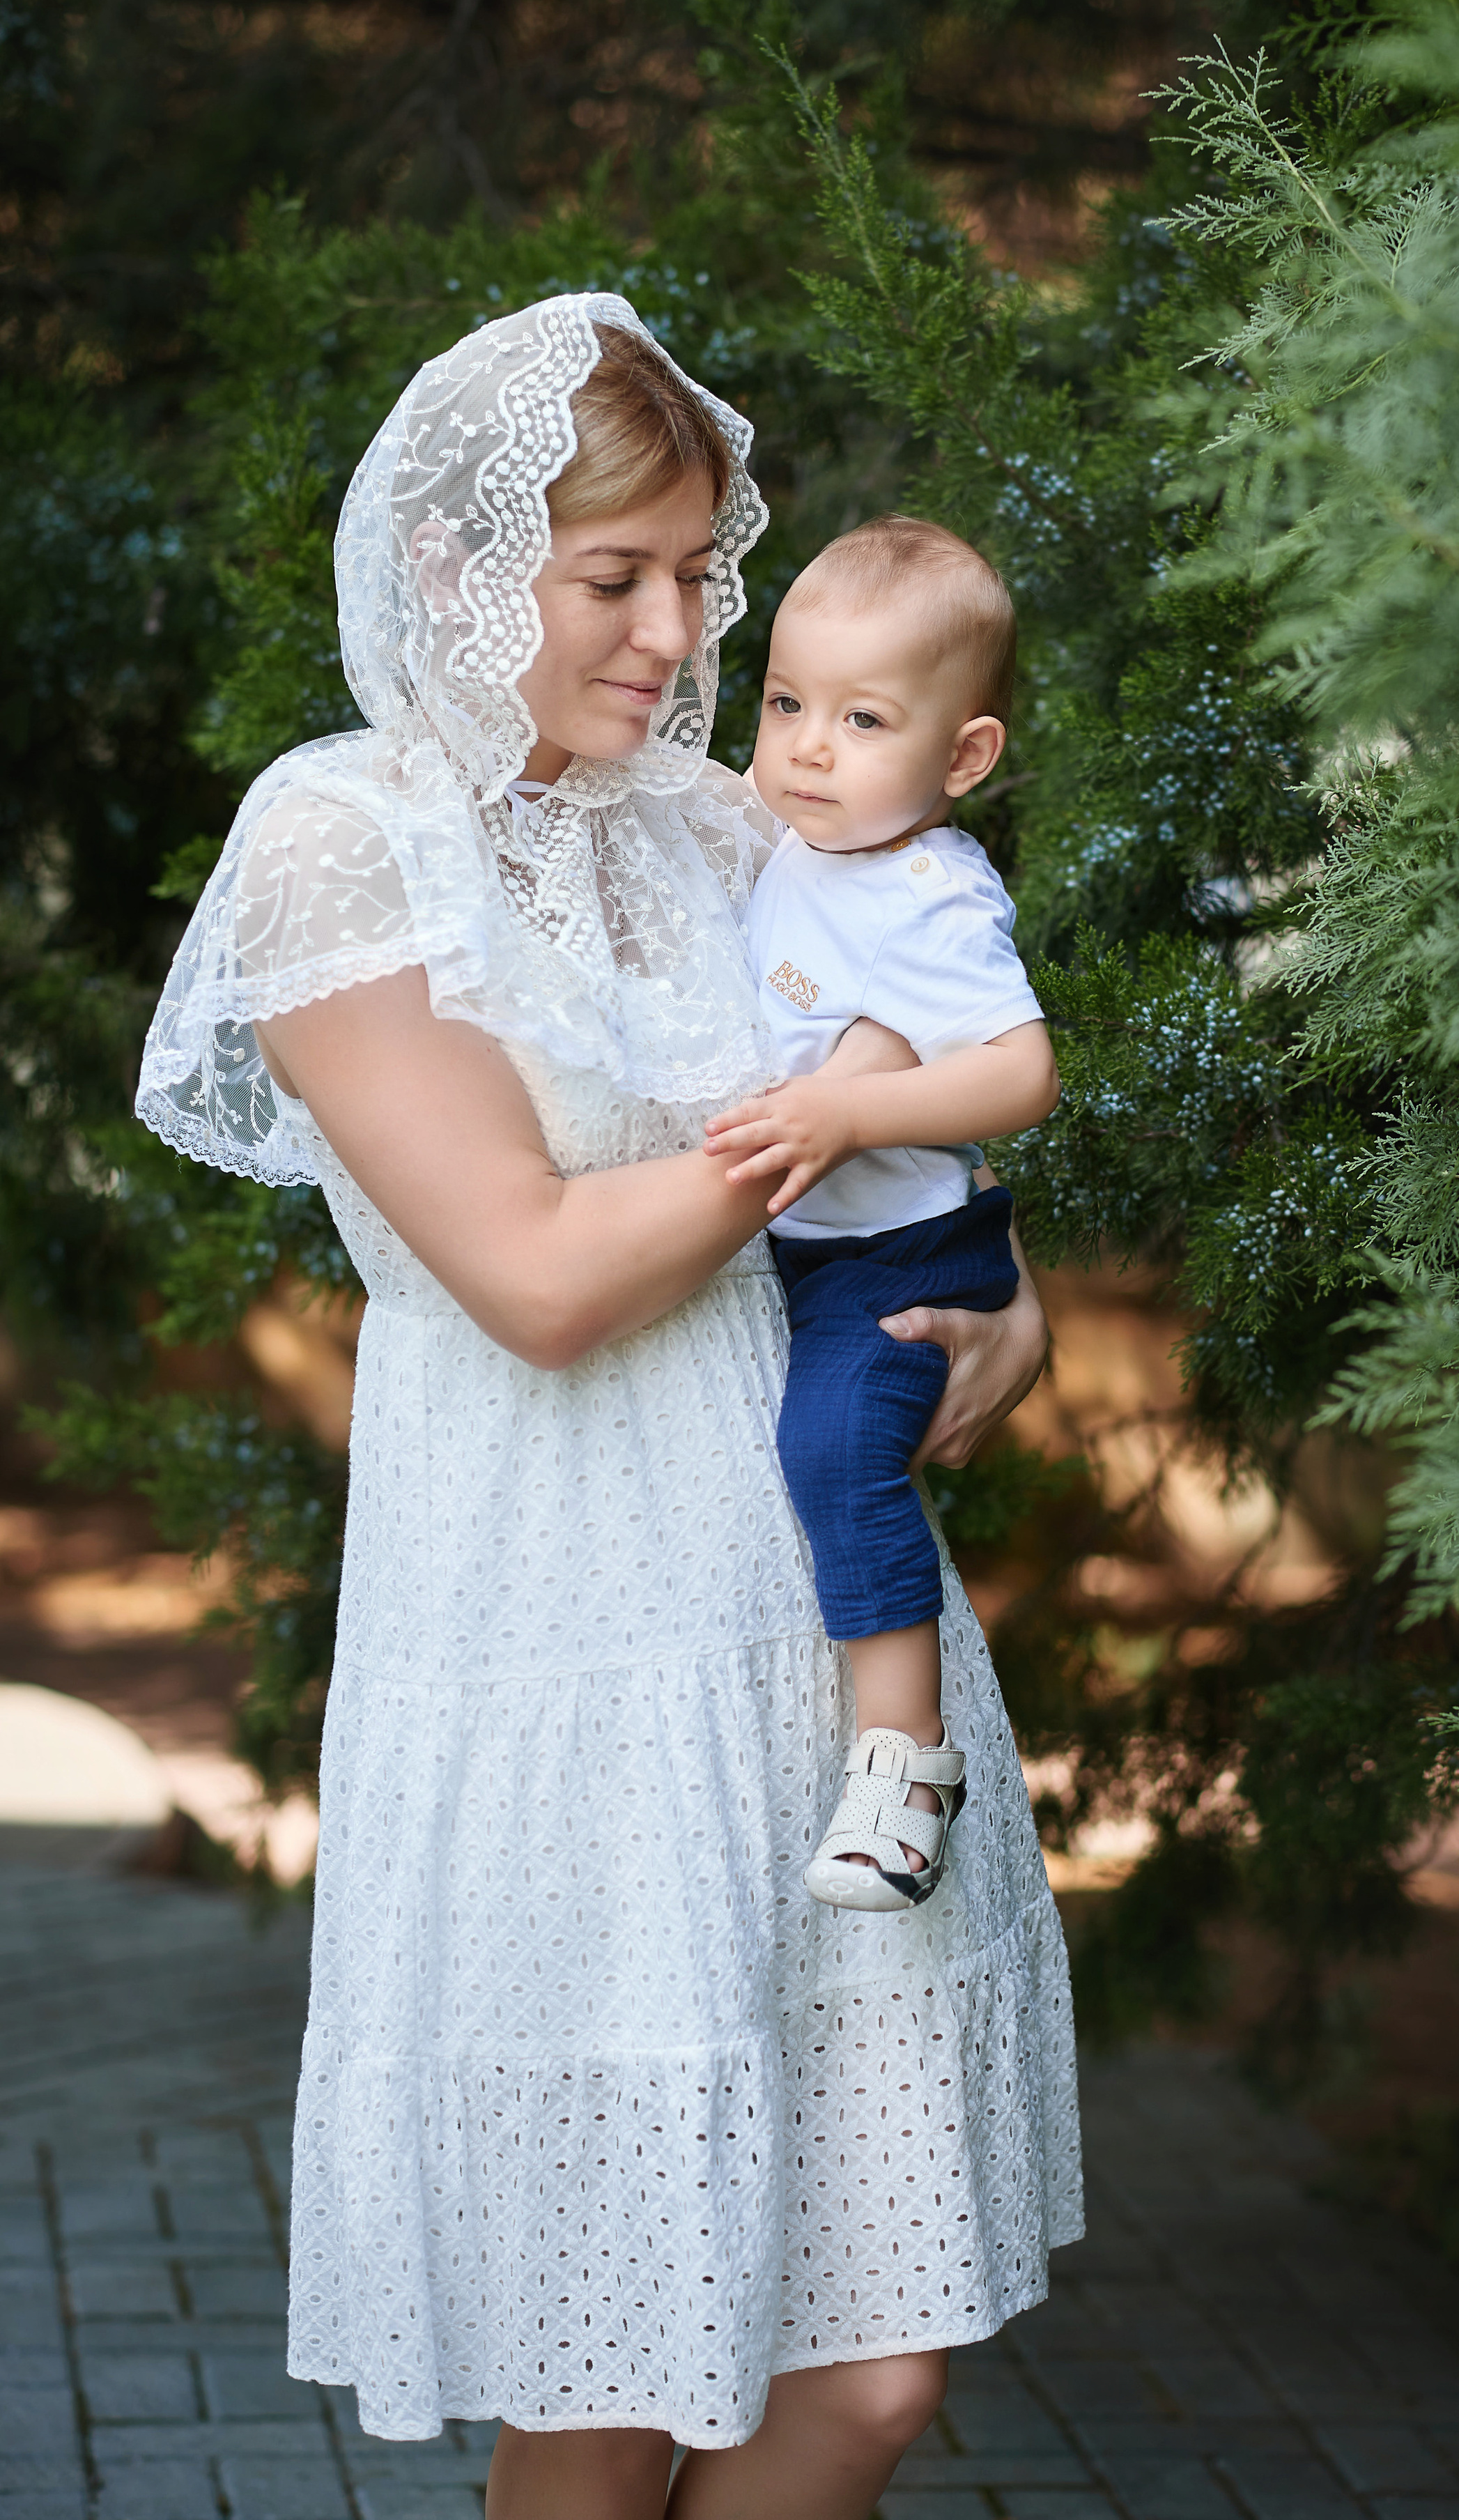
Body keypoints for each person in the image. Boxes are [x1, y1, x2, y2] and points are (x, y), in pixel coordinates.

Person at [135, 293, 1082, 2520]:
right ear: (465, 574)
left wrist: (1008, 1306)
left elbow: (922, 1136)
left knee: (864, 2382)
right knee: (617, 2371)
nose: (682, 631)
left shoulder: (715, 824)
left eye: (697, 574)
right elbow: (541, 1274)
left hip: (823, 1644)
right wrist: (812, 1124)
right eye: (616, 578)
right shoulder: (341, 837)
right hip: (558, 1631)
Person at [703, 518, 1058, 1913]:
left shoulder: (929, 891)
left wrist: (850, 1111)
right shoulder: (795, 834)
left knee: (839, 1451)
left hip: (895, 1251)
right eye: (785, 702)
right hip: (803, 1243)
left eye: (861, 719)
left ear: (961, 758)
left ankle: (904, 1767)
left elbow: (1020, 1071)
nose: (802, 747)